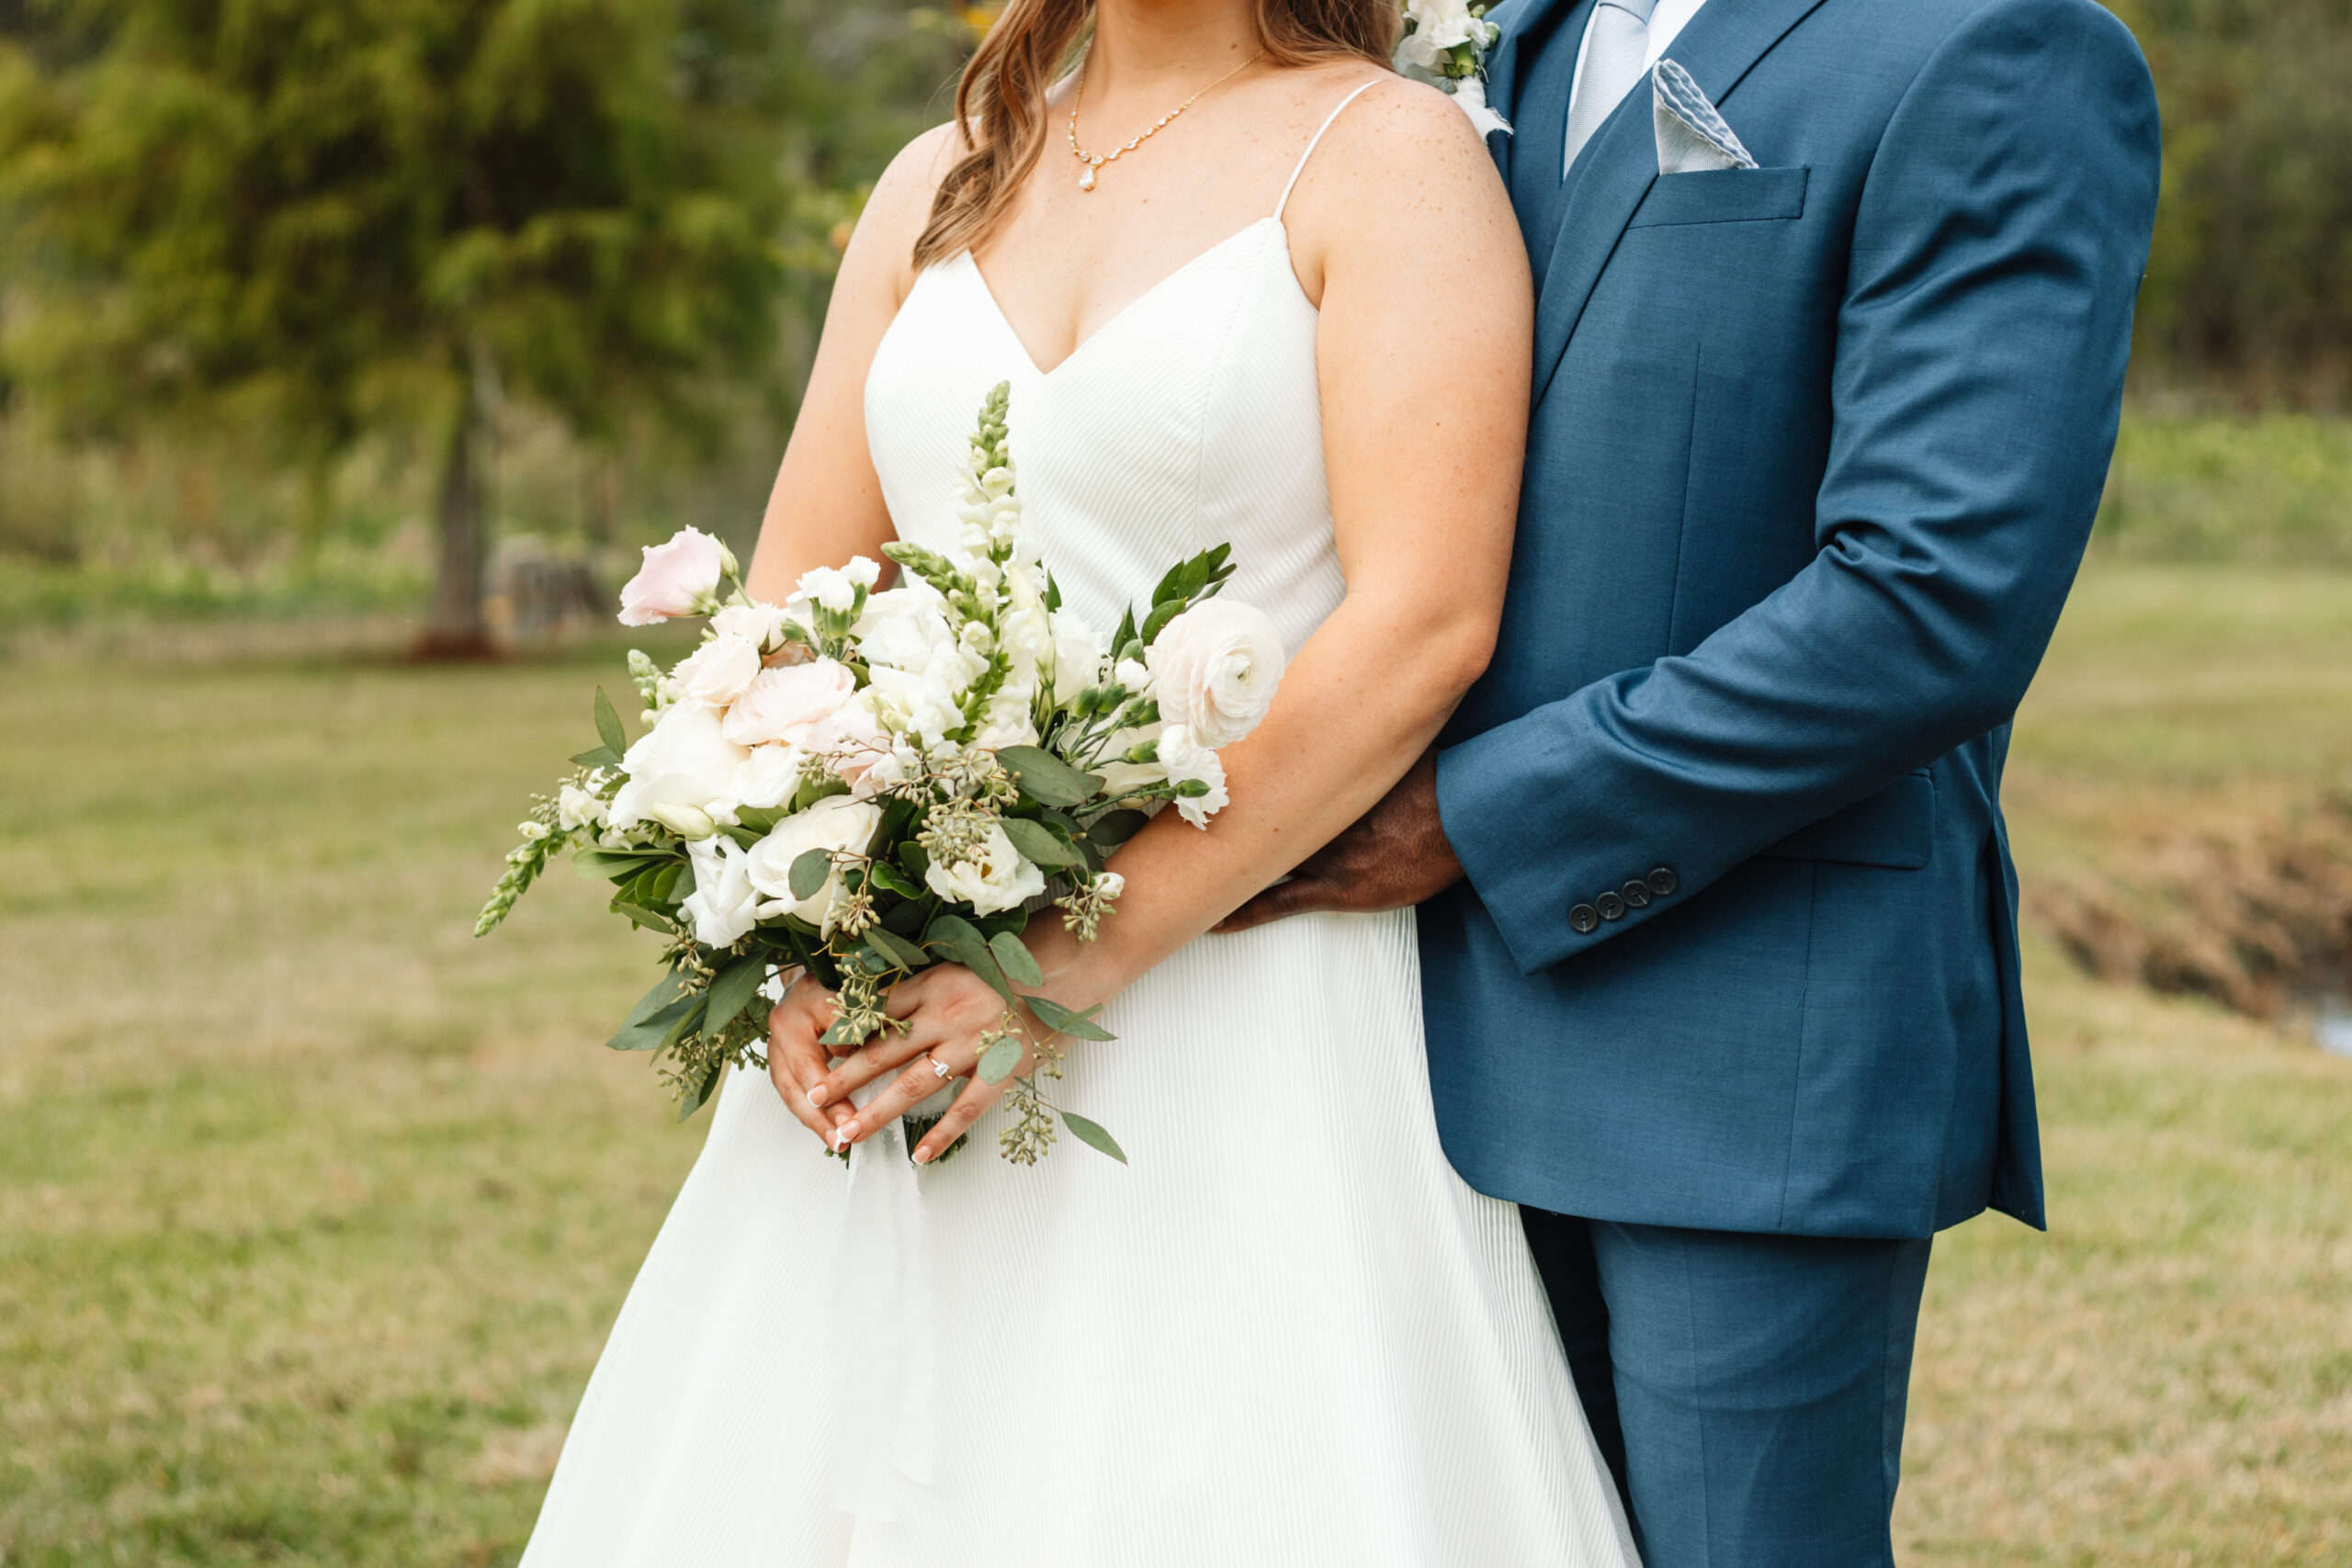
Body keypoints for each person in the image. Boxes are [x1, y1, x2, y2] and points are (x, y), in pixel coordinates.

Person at [520, 2, 1643, 1563]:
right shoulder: (941, 179)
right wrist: (791, 936)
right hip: (899, 1027)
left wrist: (1060, 965)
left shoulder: (1390, 157)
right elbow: (788, 614)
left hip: (1247, 999)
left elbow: (1422, 626)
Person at [1219, 0, 2164, 1561]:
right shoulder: (1500, 38)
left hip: (1738, 1055)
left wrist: (1475, 818)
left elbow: (1928, 602)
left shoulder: (1999, 47)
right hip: (1383, 1047)